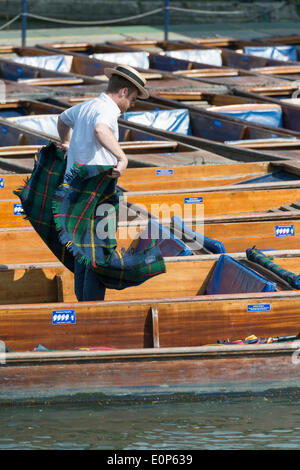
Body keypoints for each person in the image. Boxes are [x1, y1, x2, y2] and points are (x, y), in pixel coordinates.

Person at [56, 64, 150, 302]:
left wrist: (66, 143)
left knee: (82, 253)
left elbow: (62, 119)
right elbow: (100, 130)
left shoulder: (88, 106)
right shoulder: (108, 111)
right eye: (133, 99)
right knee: (99, 254)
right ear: (123, 91)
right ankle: (92, 311)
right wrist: (122, 157)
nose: (132, 105)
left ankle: (85, 308)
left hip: (74, 194)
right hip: (97, 195)